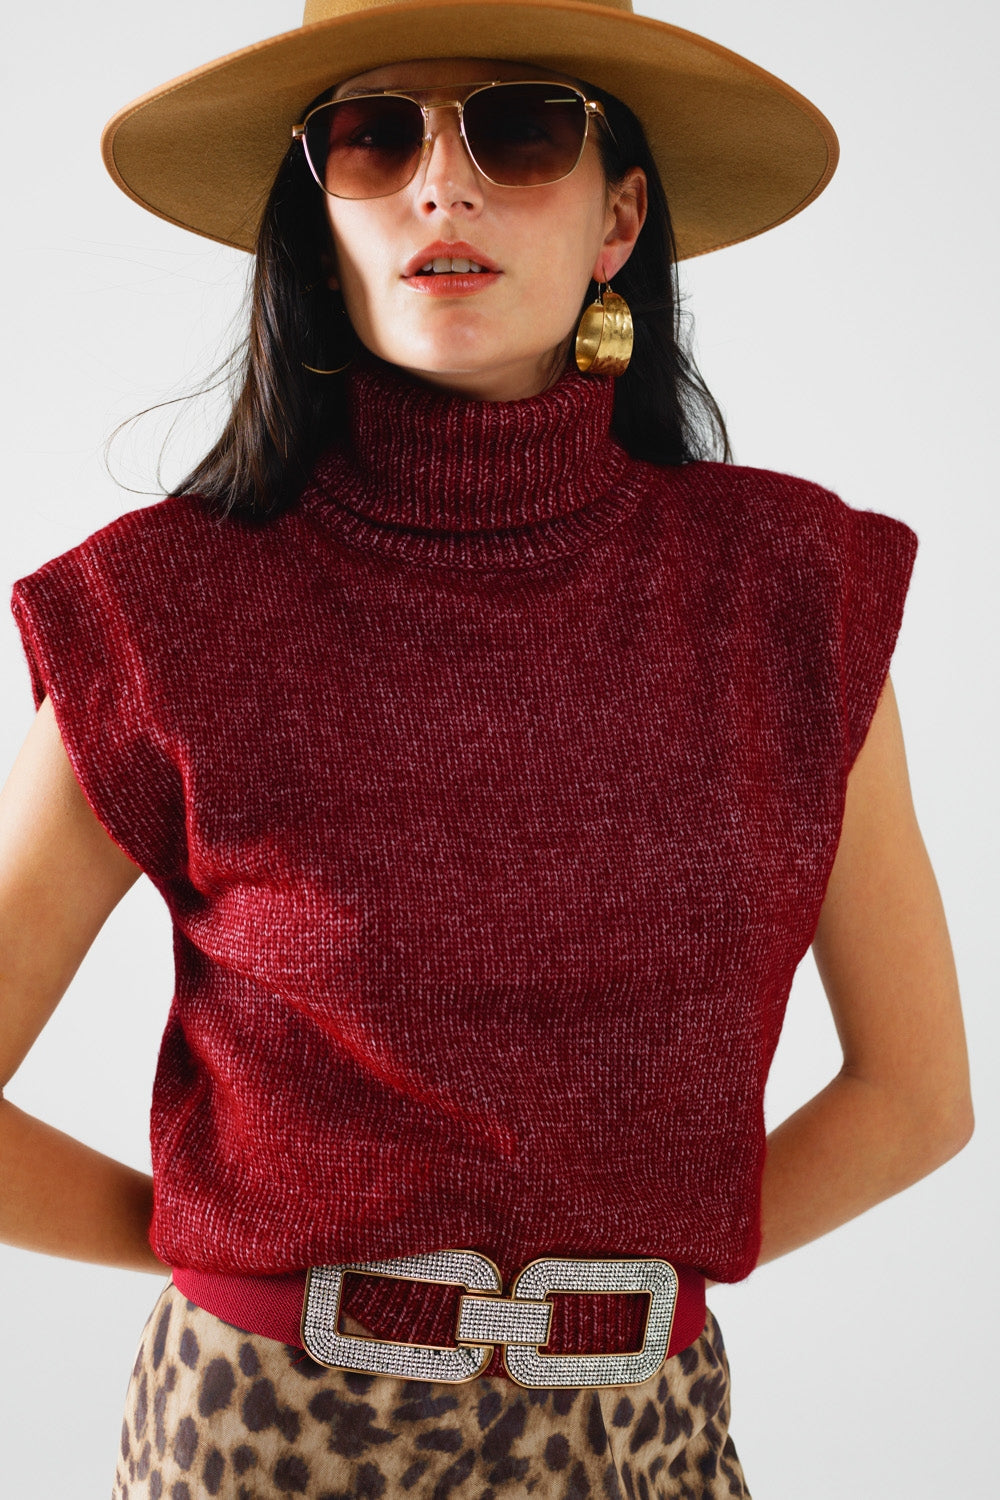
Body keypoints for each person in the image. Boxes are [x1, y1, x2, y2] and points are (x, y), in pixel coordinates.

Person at [0, 0, 973, 1495]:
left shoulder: (795, 596)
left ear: (618, 217)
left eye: (518, 130)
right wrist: (243, 1238)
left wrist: (617, 1291)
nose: (440, 186)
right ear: (319, 216)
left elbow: (918, 1099)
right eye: (375, 135)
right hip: (267, 1444)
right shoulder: (163, 612)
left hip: (651, 1444)